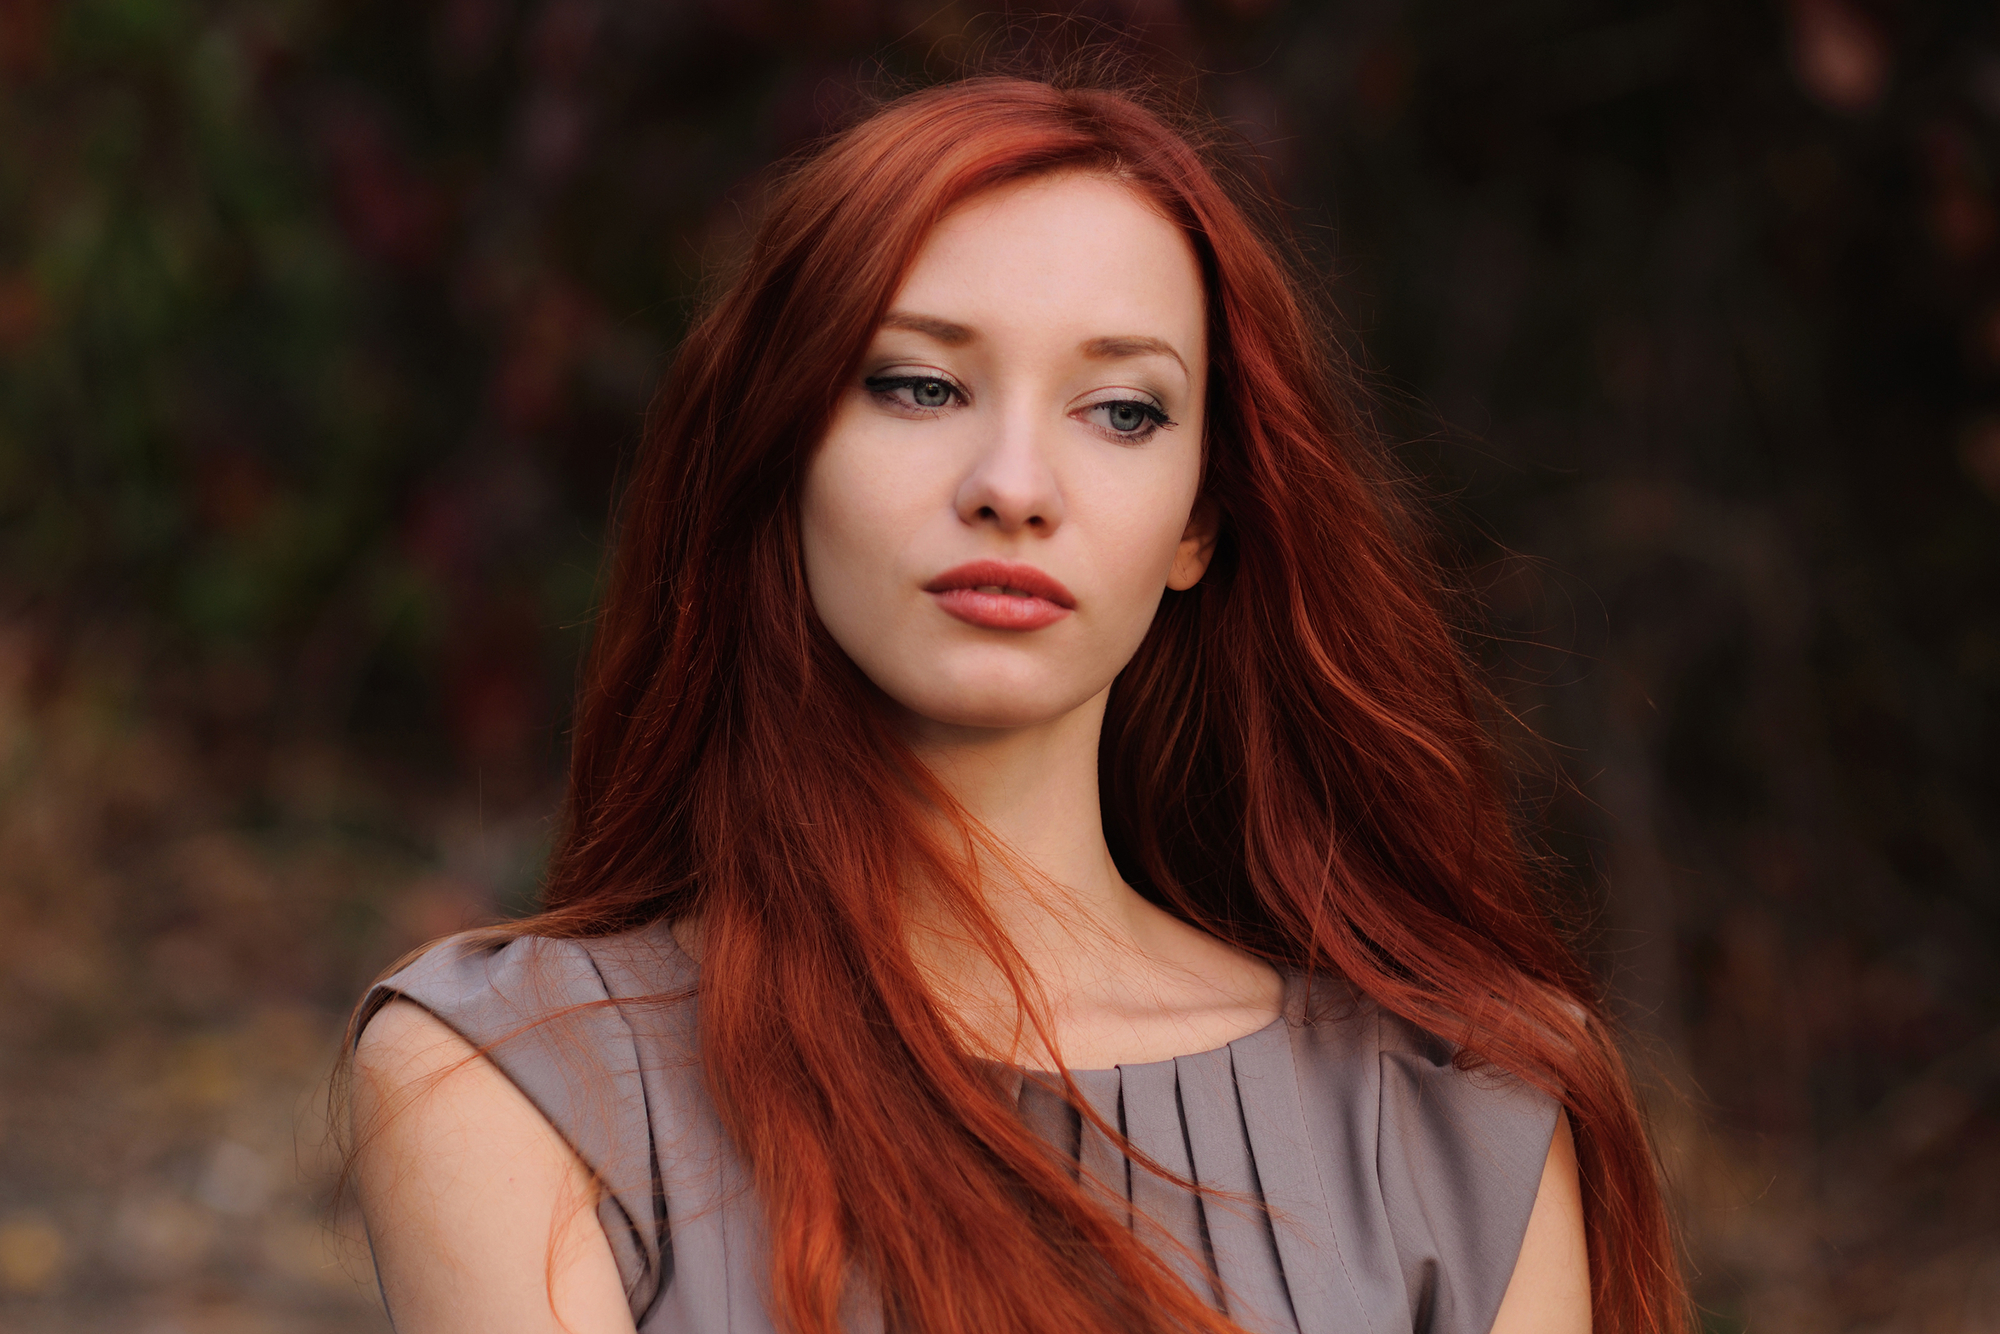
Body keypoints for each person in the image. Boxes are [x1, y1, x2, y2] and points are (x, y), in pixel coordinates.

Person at [347, 75, 1687, 1334]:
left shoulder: (1459, 1105)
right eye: (918, 384)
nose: (1013, 482)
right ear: (778, 454)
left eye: (1120, 409)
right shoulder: (516, 1081)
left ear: (1199, 522)